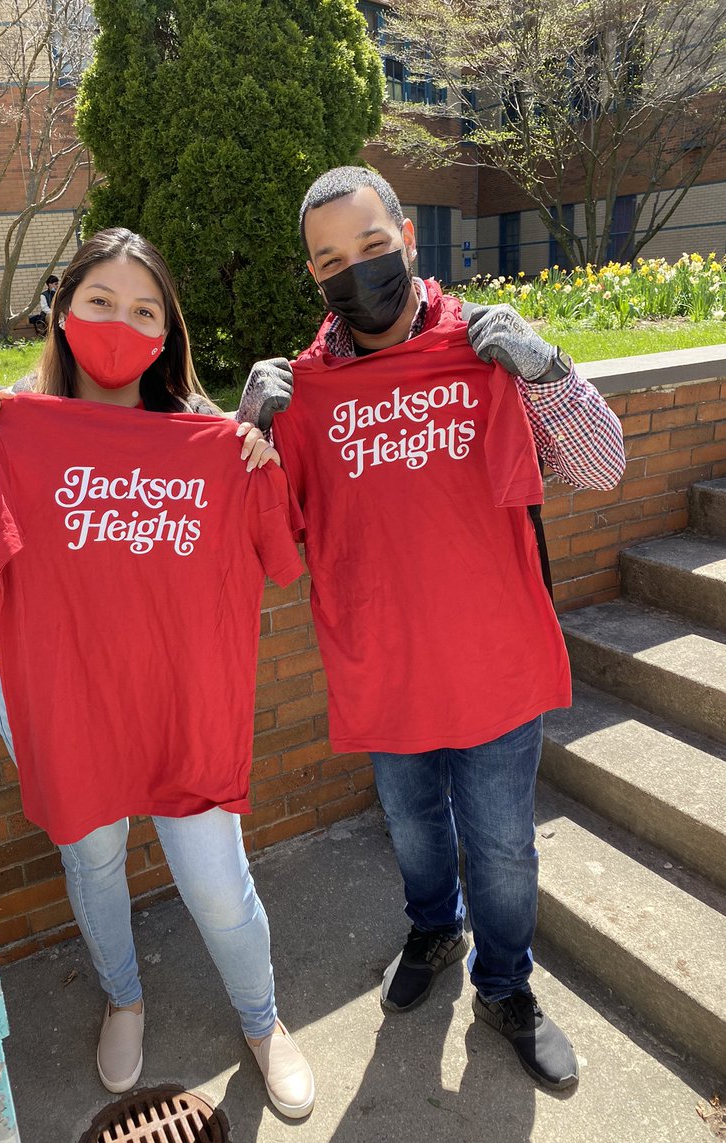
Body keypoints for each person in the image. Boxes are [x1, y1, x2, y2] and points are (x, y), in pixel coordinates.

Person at [0, 227, 316, 1119]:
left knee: (215, 885)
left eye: (145, 311)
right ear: (62, 313)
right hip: (61, 701)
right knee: (94, 867)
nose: (121, 324)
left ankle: (264, 1019)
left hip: (182, 704)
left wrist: (261, 460)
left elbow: (287, 551)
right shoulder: (11, 431)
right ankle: (124, 998)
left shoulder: (210, 443)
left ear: (168, 332)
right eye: (100, 302)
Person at [237, 166, 626, 1091]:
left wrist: (549, 370)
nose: (356, 270)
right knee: (413, 832)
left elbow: (603, 467)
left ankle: (505, 987)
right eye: (331, 260)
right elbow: (258, 547)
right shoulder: (306, 392)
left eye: (371, 247)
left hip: (495, 666)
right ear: (313, 276)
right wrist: (244, 435)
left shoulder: (485, 352)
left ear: (408, 240)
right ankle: (433, 930)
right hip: (383, 671)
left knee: (500, 846)